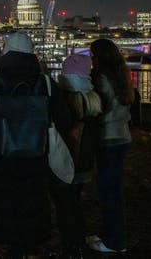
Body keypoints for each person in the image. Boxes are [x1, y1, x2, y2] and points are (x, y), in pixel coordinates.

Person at [0, 32, 71, 259]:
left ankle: (13, 249)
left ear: (5, 52)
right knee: (34, 199)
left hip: (3, 156)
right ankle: (30, 245)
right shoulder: (46, 83)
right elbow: (65, 120)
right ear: (32, 53)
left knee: (6, 201)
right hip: (37, 155)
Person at [50, 54, 102, 259]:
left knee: (65, 208)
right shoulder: (94, 99)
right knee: (74, 204)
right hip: (85, 163)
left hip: (64, 161)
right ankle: (78, 245)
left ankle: (72, 247)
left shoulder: (62, 98)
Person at [86, 38, 134, 254]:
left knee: (109, 192)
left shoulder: (101, 79)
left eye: (92, 56)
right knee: (112, 190)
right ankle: (109, 235)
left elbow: (97, 110)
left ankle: (114, 242)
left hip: (108, 138)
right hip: (122, 136)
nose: (91, 60)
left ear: (100, 57)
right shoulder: (122, 76)